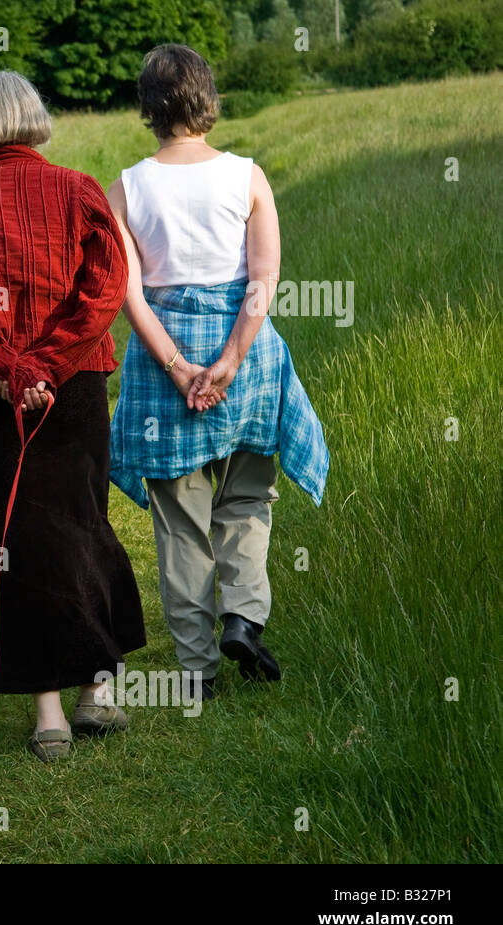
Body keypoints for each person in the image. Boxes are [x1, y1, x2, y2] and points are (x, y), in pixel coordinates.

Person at [0, 72, 147, 762]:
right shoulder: (80, 190)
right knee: (80, 524)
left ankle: (49, 711)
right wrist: (44, 363)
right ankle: (94, 694)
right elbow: (106, 287)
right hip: (72, 383)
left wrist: (5, 366)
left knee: (10, 540)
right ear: (34, 118)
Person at [106, 44, 329, 698]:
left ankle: (197, 669)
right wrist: (229, 361)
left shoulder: (125, 187)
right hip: (250, 360)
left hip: (162, 363)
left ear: (148, 108)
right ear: (208, 99)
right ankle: (243, 616)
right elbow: (263, 279)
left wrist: (179, 367)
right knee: (248, 499)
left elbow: (130, 294)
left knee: (180, 520)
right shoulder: (248, 176)